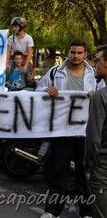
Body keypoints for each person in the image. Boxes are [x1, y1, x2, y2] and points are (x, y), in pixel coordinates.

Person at [36, 40, 101, 218]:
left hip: (86, 131)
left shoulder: (94, 75)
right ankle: (52, 211)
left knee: (84, 174)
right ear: (68, 53)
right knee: (58, 171)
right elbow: (37, 90)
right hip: (61, 130)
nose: (76, 56)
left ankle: (87, 212)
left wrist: (95, 97)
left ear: (85, 54)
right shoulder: (56, 72)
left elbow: (104, 97)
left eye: (80, 53)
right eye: (73, 52)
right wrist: (46, 90)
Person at [85, 45, 107, 218]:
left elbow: (93, 138)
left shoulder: (100, 97)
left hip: (102, 167)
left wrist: (88, 165)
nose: (94, 64)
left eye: (98, 60)